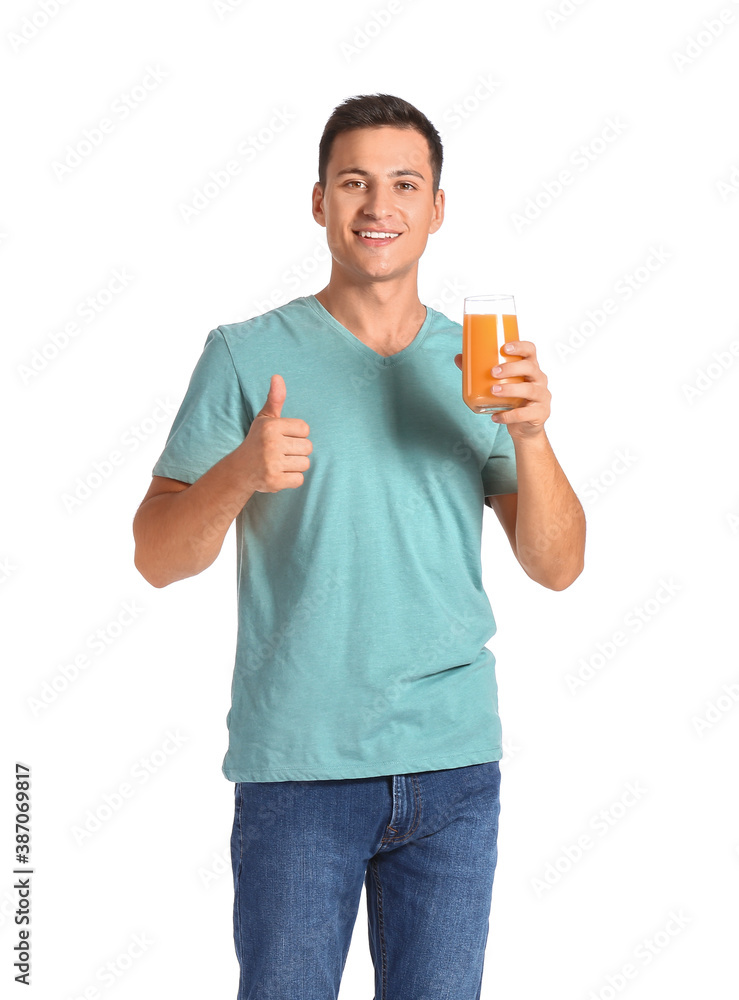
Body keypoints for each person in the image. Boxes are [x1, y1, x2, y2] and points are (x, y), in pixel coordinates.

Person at [133, 92, 585, 1000]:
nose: (379, 206)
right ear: (319, 202)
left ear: (436, 209)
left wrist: (532, 436)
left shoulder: (481, 367)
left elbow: (557, 566)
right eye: (354, 182)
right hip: (301, 772)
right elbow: (155, 556)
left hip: (453, 768)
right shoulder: (242, 354)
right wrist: (240, 473)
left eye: (404, 184)